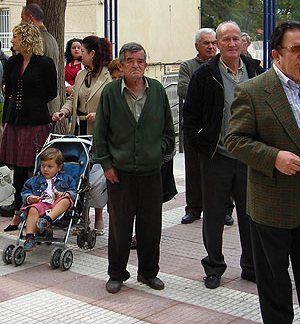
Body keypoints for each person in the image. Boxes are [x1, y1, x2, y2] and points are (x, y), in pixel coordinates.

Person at [225, 20, 300, 324]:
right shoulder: (253, 91)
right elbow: (234, 141)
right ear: (277, 55)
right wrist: (274, 157)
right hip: (273, 204)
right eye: (296, 49)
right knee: (275, 282)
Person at [93, 42, 175, 294]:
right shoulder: (110, 93)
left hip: (151, 172)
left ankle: (149, 273)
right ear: (121, 64)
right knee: (120, 225)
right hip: (119, 173)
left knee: (151, 226)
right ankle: (117, 273)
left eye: (140, 61)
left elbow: (168, 132)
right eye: (130, 61)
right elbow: (100, 134)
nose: (135, 65)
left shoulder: (158, 91)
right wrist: (106, 165)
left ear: (146, 64)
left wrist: (157, 151)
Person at [182, 22, 259, 290]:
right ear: (218, 43)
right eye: (225, 39)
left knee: (251, 215)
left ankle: (250, 266)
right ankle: (214, 266)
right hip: (217, 155)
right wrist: (200, 143)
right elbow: (189, 114)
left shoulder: (255, 70)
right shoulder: (206, 74)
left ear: (243, 42)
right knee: (214, 215)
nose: (231, 44)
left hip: (249, 156)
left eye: (236, 38)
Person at [0, 22, 57, 231]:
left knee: (37, 168)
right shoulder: (12, 62)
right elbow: (9, 88)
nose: (12, 40)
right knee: (18, 170)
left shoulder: (45, 63)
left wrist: (32, 102)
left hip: (36, 121)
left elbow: (52, 92)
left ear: (26, 39)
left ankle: (39, 210)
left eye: (15, 37)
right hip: (15, 119)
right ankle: (17, 212)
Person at [53, 36, 112, 233]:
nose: (80, 55)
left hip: (98, 132)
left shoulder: (107, 76)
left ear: (92, 54)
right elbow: (72, 98)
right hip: (78, 131)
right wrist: (64, 112)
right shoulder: (80, 74)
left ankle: (98, 218)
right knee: (81, 174)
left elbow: (113, 104)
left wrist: (101, 115)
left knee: (96, 176)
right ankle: (83, 217)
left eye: (84, 52)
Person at [178, 28, 233, 226]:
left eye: (213, 43)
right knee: (193, 170)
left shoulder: (223, 65)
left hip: (219, 128)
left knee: (222, 171)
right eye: (206, 43)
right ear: (197, 46)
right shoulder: (188, 66)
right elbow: (183, 89)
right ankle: (193, 209)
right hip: (195, 128)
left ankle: (226, 210)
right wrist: (210, 96)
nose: (210, 46)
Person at [19, 148, 75, 250]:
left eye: (50, 166)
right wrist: (30, 198)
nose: (45, 169)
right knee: (32, 209)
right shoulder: (34, 181)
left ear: (59, 167)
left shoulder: (67, 179)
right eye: (43, 166)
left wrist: (64, 194)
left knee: (66, 199)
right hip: (42, 203)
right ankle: (29, 237)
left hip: (57, 204)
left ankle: (46, 221)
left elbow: (73, 191)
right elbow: (25, 192)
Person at [21, 3, 60, 115]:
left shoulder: (35, 41)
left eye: (22, 18)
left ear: (30, 18)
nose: (21, 22)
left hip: (40, 105)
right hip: (51, 104)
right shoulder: (52, 39)